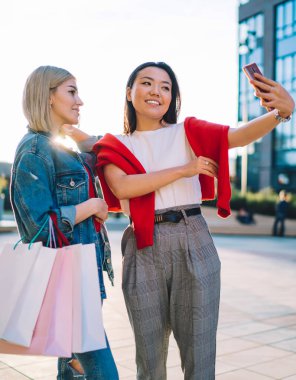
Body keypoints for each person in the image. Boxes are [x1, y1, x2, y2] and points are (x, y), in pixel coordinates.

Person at [65, 61, 295, 380]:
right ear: (129, 92)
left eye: (166, 87)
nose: (156, 91)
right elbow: (122, 186)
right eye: (147, 83)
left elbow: (238, 136)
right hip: (143, 244)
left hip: (192, 236)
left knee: (200, 357)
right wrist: (184, 170)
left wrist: (280, 113)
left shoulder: (188, 131)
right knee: (149, 360)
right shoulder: (114, 145)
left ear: (173, 98)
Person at [10, 66, 119, 380]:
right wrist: (91, 206)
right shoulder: (34, 150)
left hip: (81, 274)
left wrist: (92, 207)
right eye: (71, 91)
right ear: (47, 97)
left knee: (73, 373)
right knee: (103, 372)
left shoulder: (61, 149)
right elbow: (38, 229)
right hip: (67, 281)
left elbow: (103, 151)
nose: (80, 101)